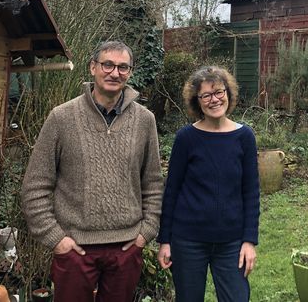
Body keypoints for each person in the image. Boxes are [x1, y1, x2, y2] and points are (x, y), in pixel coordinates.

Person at [21, 40, 163, 302]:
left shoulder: (145, 120)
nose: (114, 72)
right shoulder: (61, 117)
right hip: (75, 249)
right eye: (107, 64)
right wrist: (57, 239)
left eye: (123, 67)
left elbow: (153, 183)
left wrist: (146, 232)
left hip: (127, 246)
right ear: (92, 67)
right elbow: (35, 185)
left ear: (130, 72)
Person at [157, 66, 260, 301]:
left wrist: (249, 240)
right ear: (197, 101)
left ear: (228, 94)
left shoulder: (244, 137)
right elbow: (171, 191)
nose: (214, 100)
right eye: (206, 95)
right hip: (188, 241)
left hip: (232, 243)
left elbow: (251, 192)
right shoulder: (186, 138)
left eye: (219, 92)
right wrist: (165, 240)